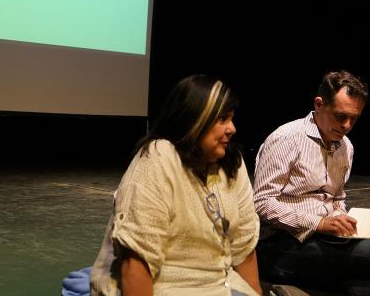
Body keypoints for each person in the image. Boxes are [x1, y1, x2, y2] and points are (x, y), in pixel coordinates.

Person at [90, 74, 262, 296]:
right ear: (195, 119)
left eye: (232, 118)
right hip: (166, 288)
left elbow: (243, 247)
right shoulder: (160, 157)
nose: (232, 128)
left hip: (223, 287)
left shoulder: (232, 164)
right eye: (222, 119)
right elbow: (136, 263)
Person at [253, 70, 370, 295]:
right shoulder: (286, 139)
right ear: (319, 104)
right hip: (280, 246)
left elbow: (337, 197)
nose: (348, 125)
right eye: (341, 116)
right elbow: (262, 203)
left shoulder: (345, 147)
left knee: (369, 291)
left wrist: (340, 217)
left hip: (323, 242)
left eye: (354, 118)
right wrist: (318, 222)